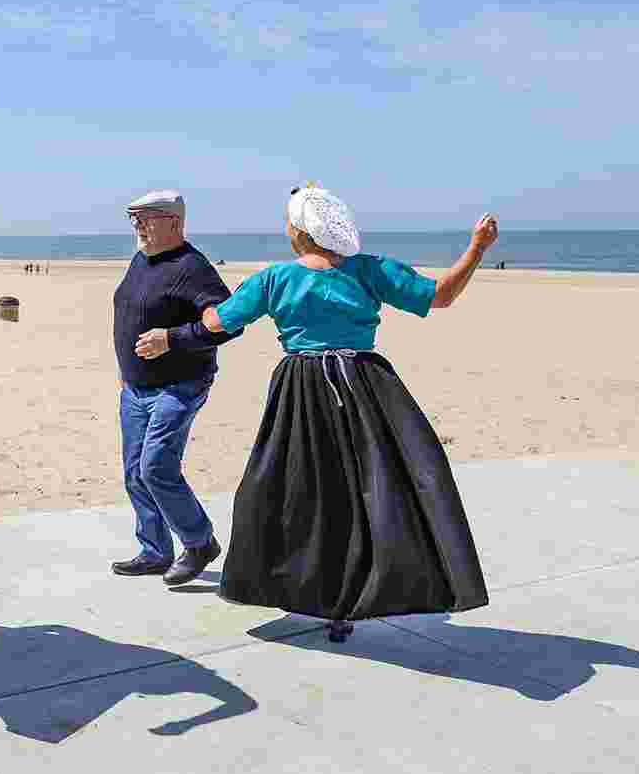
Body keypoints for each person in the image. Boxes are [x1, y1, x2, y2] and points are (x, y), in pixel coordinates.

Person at [202, 183, 497, 642]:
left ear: (299, 231)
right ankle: (346, 597)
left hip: (305, 388)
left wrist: (182, 324)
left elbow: (220, 322)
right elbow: (441, 295)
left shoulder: (275, 278)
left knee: (301, 492)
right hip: (364, 383)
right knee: (372, 489)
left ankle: (331, 597)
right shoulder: (369, 270)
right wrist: (477, 248)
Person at [111, 189, 236, 586]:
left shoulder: (192, 267)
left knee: (156, 467)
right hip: (136, 387)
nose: (138, 226)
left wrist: (173, 339)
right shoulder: (141, 260)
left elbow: (229, 322)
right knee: (135, 472)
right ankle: (154, 550)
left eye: (146, 218)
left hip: (180, 384)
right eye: (134, 219)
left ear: (175, 223)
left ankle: (200, 543)